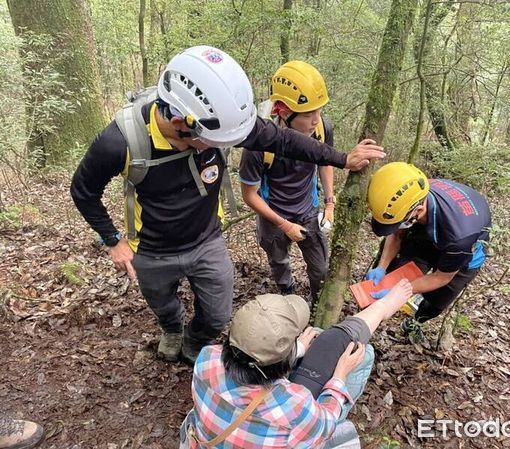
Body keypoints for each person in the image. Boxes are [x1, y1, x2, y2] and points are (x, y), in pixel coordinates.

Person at [70, 45, 385, 364]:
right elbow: (83, 190)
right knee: (162, 302)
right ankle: (172, 328)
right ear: (180, 122)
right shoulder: (120, 141)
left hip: (207, 239)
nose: (225, 146)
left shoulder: (217, 120)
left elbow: (283, 140)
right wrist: (112, 240)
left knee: (218, 315)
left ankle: (194, 338)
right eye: (216, 141)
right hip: (150, 247)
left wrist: (343, 159)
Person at [179, 279, 413, 449]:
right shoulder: (295, 405)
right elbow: (326, 422)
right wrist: (339, 377)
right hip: (298, 420)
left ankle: (381, 308)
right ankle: (381, 309)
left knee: (328, 338)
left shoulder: (206, 359)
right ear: (284, 364)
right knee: (363, 354)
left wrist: (296, 349)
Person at [239, 61, 335, 305]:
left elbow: (325, 162)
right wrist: (283, 225)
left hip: (309, 211)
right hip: (273, 216)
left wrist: (330, 203)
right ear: (283, 111)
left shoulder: (323, 129)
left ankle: (316, 304)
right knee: (279, 261)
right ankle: (288, 296)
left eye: (319, 111)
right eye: (308, 114)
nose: (316, 120)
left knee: (320, 269)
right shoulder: (258, 146)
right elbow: (249, 195)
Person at [366, 162, 492, 344]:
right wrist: (382, 266)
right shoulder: (412, 193)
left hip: (464, 252)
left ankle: (416, 322)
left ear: (418, 210)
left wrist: (401, 291)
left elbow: (441, 278)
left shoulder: (460, 237)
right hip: (427, 232)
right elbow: (397, 233)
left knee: (437, 300)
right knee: (398, 271)